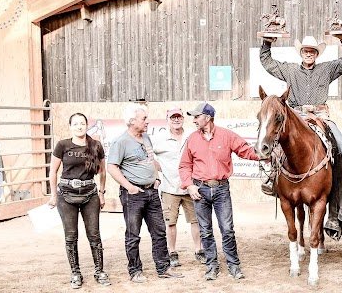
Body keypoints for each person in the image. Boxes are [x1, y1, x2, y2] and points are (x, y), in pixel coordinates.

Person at [259, 34, 342, 239]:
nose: (309, 53)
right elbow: (267, 62)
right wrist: (267, 43)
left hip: (320, 115)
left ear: (316, 54)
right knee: (276, 143)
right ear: (301, 53)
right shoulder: (290, 70)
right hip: (297, 115)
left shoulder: (327, 69)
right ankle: (270, 178)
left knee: (340, 143)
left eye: (312, 51)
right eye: (305, 50)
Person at [180, 102, 260, 281]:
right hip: (199, 189)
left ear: (207, 118)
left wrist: (265, 155)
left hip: (221, 188)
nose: (193, 120)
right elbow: (185, 165)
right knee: (205, 230)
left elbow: (246, 150)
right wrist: (189, 185)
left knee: (227, 229)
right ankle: (211, 265)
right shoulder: (192, 139)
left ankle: (234, 265)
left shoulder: (226, 135)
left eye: (196, 116)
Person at [107, 103, 183, 283]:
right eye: (144, 119)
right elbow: (111, 167)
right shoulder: (121, 141)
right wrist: (129, 186)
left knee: (159, 231)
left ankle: (163, 267)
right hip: (133, 194)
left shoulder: (147, 138)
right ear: (132, 121)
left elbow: (151, 160)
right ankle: (135, 271)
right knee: (133, 234)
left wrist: (156, 178)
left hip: (151, 192)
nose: (147, 121)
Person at [47, 113, 111, 289]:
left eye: (82, 123)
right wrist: (53, 195)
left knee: (94, 234)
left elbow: (102, 171)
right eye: (75, 124)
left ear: (86, 126)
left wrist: (102, 193)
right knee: (71, 236)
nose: (79, 126)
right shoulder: (62, 145)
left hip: (90, 194)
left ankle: (99, 271)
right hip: (66, 195)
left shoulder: (95, 146)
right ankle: (75, 272)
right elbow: (53, 172)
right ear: (70, 126)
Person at [152, 108, 204, 268]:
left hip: (190, 187)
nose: (176, 120)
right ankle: (172, 252)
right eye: (173, 117)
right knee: (171, 222)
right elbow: (149, 156)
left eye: (179, 117)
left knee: (196, 221)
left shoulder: (192, 136)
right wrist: (158, 172)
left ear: (183, 119)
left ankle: (199, 250)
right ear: (167, 119)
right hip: (169, 188)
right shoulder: (159, 138)